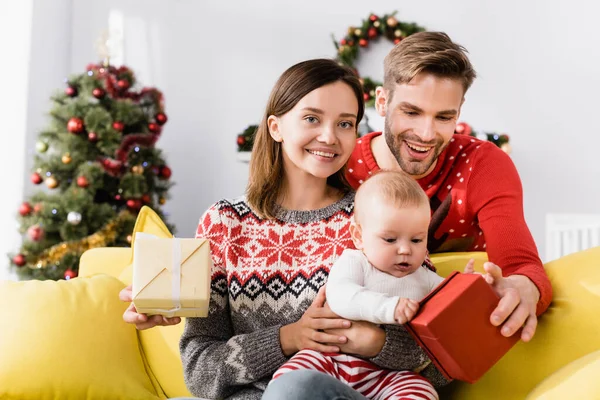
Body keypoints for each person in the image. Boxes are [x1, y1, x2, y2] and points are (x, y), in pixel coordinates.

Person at [121, 58, 448, 400]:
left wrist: (375, 343)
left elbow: (442, 364)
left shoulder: (376, 219)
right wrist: (288, 338)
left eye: (345, 124)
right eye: (311, 118)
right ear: (276, 127)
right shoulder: (226, 224)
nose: (329, 136)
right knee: (296, 387)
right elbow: (202, 371)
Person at [345, 31, 552, 343]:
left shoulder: (483, 164)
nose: (426, 134)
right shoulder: (342, 166)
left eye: (444, 117)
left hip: (460, 337)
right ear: (382, 102)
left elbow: (522, 265)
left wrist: (524, 286)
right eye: (411, 112)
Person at [270, 170, 444, 400]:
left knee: (422, 391)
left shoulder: (425, 277)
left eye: (417, 240)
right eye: (390, 239)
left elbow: (452, 303)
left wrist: (472, 286)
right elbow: (342, 297)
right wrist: (389, 308)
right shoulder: (355, 262)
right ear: (359, 236)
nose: (405, 250)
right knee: (292, 378)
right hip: (332, 360)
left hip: (393, 374)